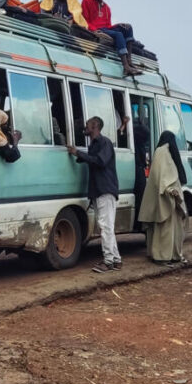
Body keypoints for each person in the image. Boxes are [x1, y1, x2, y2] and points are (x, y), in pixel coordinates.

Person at [67, 117, 121, 273]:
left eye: (88, 125)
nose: (85, 127)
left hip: (105, 190)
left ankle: (109, 261)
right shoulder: (95, 144)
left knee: (105, 227)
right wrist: (79, 156)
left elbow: (100, 161)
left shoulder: (104, 143)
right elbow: (93, 160)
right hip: (99, 190)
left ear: (95, 126)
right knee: (107, 227)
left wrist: (78, 153)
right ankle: (116, 260)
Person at [139, 131, 188, 265]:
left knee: (172, 228)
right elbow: (162, 177)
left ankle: (172, 255)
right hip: (166, 197)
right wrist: (170, 190)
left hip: (170, 197)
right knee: (165, 229)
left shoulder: (161, 152)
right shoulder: (163, 152)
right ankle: (161, 256)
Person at [81, 0, 142, 76]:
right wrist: (94, 30)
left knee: (128, 27)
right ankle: (125, 66)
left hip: (106, 29)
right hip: (97, 29)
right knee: (118, 35)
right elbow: (85, 20)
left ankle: (130, 61)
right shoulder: (86, 0)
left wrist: (119, 25)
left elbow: (108, 25)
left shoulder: (107, 8)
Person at [132, 119, 150, 230]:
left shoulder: (136, 137)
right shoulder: (138, 138)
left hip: (138, 168)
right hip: (138, 169)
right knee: (141, 197)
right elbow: (146, 132)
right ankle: (141, 224)